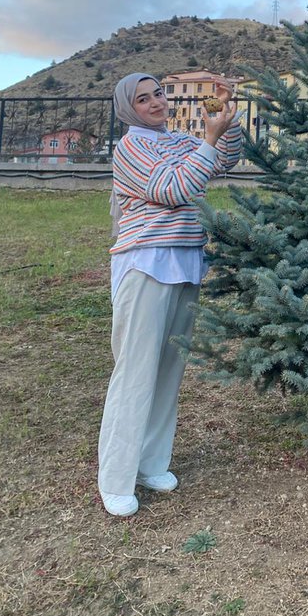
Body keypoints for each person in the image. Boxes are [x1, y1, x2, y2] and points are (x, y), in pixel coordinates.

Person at [98, 73, 242, 516]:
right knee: (136, 371)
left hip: (186, 260)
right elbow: (174, 188)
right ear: (130, 109)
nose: (156, 103)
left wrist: (225, 116)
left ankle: (151, 463)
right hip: (146, 262)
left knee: (168, 369)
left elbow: (223, 159)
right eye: (144, 99)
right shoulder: (131, 148)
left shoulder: (179, 141)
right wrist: (208, 141)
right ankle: (116, 478)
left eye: (158, 93)